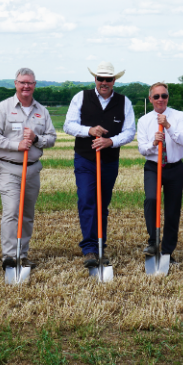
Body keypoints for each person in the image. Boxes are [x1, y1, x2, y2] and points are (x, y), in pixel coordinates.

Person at [63, 61, 136, 268]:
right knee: (87, 199)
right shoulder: (80, 97)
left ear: (114, 81)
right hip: (85, 158)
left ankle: (100, 244)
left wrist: (111, 141)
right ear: (95, 79)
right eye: (100, 78)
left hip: (109, 161)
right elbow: (68, 125)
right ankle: (89, 248)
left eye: (108, 79)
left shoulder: (124, 102)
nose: (104, 82)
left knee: (102, 203)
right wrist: (89, 131)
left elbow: (130, 132)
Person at [0, 68, 58, 270]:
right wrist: (16, 145)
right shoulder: (3, 108)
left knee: (27, 214)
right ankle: (9, 256)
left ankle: (22, 254)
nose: (26, 86)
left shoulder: (41, 111)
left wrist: (36, 139)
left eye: (30, 83)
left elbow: (52, 139)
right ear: (15, 84)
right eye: (22, 82)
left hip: (33, 169)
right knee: (11, 211)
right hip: (9, 168)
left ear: (35, 85)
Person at [136, 82, 183, 260]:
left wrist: (168, 126)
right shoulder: (144, 121)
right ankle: (153, 241)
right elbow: (142, 149)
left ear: (168, 97)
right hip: (153, 167)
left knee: (172, 209)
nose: (160, 99)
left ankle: (167, 251)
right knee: (151, 200)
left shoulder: (179, 116)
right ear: (150, 99)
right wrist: (153, 143)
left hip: (174, 167)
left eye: (164, 96)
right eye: (156, 96)